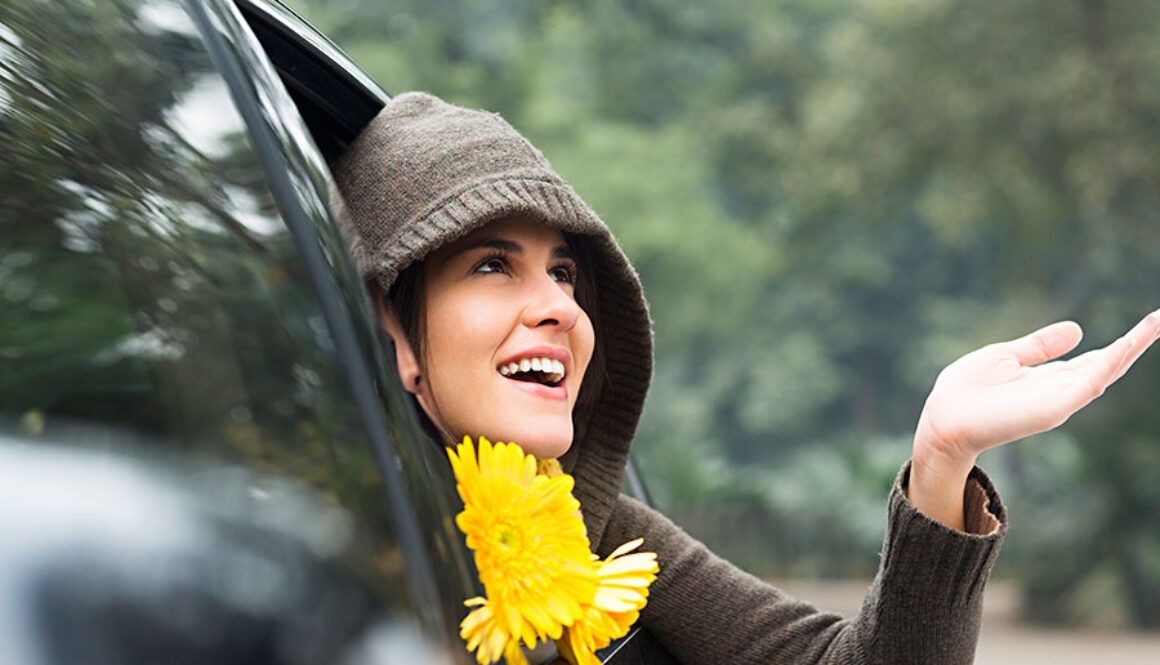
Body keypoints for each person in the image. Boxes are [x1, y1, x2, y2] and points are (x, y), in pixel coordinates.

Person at [332, 92, 1160, 664]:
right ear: (391, 323)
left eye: (565, 273)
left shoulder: (605, 530)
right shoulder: (323, 550)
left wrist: (941, 455)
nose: (557, 307)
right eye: (491, 264)